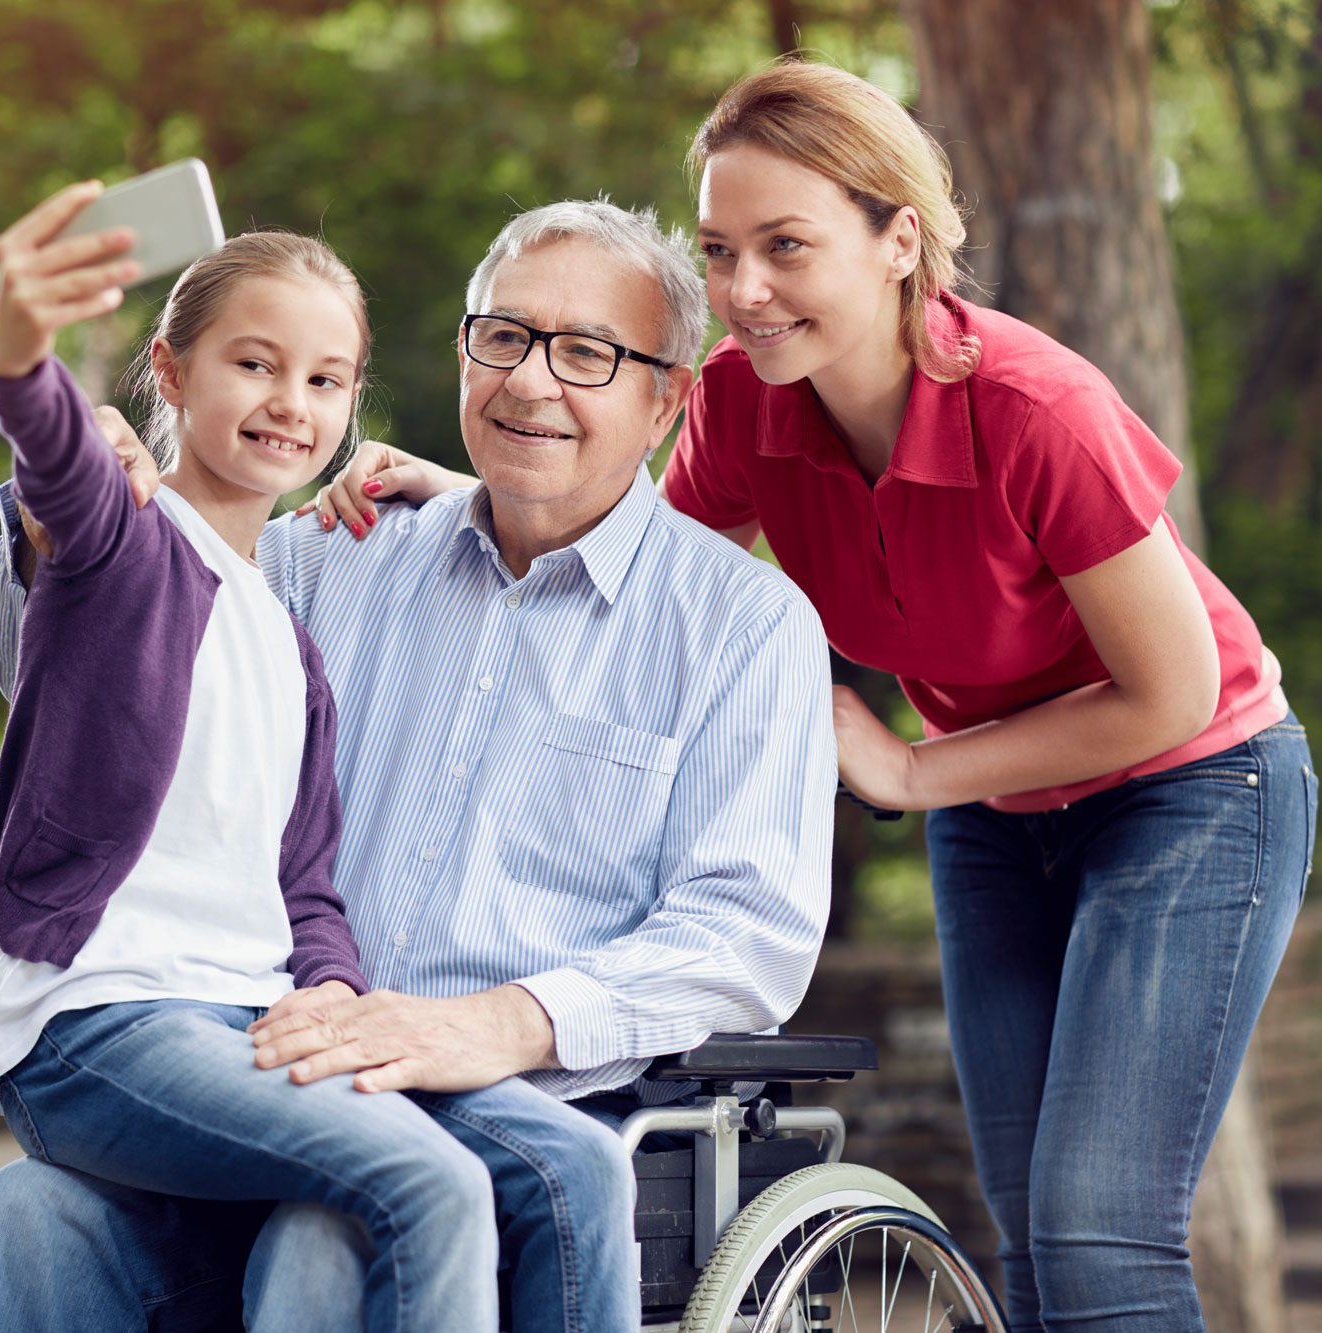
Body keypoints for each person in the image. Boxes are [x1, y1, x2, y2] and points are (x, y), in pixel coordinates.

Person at [316, 62, 1318, 1333]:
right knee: (1024, 1229)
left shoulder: (1033, 409)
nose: (743, 291)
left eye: (786, 245)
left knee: (1096, 1227)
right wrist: (471, 489)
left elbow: (1171, 693)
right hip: (997, 797)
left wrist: (904, 773)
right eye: (721, 249)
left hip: (1193, 784)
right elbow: (618, 564)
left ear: (898, 239)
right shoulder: (737, 402)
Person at [0, 198, 837, 1332]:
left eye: (586, 354)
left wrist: (494, 1023)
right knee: (31, 1209)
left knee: (342, 1230)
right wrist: (52, 519)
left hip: (523, 1099)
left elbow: (743, 932)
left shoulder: (740, 626)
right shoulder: (333, 553)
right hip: (272, 1051)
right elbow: (91, 671)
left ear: (665, 399)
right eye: (502, 337)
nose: (528, 382)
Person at [0, 181, 499, 1333]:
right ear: (168, 371)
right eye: (253, 365)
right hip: (101, 1023)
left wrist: (332, 1000)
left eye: (322, 381)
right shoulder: (121, 540)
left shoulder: (290, 648)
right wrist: (19, 341)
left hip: (240, 1025)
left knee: (356, 1214)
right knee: (432, 1178)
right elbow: (51, 445)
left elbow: (304, 885)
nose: (288, 404)